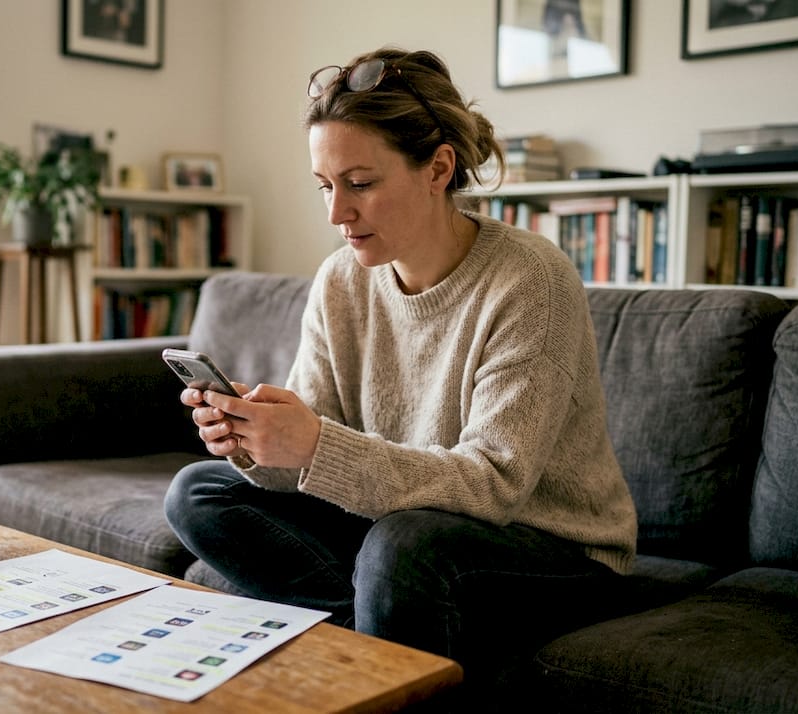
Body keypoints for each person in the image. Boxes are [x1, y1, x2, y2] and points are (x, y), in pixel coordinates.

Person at [163, 46, 637, 681]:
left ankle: (359, 648)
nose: (337, 214)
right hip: (401, 526)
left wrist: (316, 445)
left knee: (403, 547)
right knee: (200, 491)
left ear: (438, 168)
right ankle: (373, 639)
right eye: (326, 187)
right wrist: (256, 441)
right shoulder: (341, 282)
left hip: (554, 548)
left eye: (360, 184)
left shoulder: (530, 279)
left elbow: (493, 484)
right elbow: (310, 457)